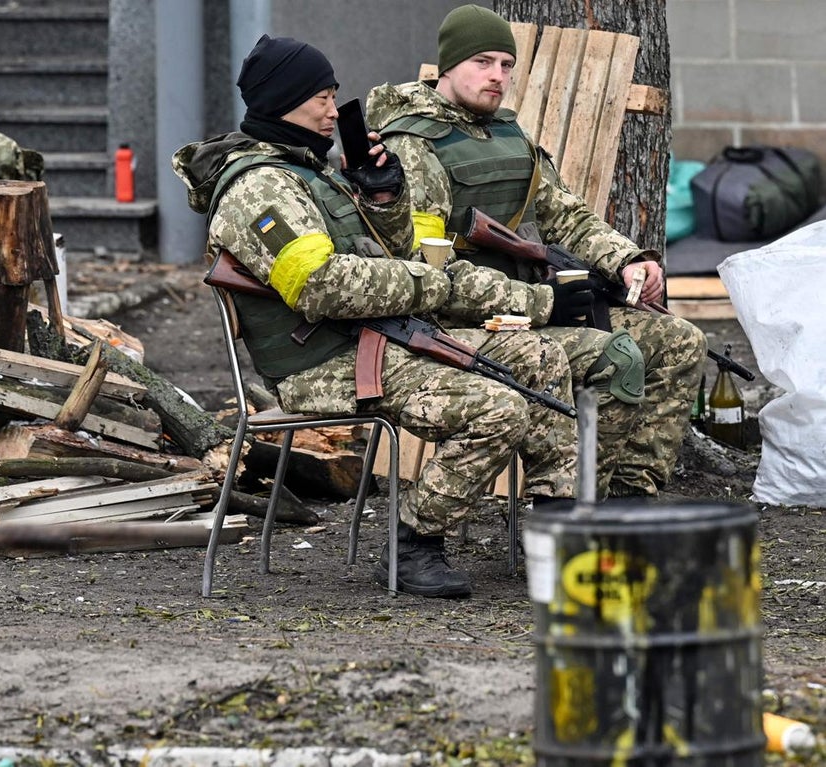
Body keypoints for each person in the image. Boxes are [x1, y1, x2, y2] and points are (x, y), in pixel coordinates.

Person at [172, 34, 587, 599]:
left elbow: (390, 256)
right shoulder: (258, 187)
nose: (330, 110)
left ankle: (556, 530)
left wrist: (383, 198)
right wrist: (431, 286)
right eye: (320, 97)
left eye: (332, 95)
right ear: (281, 102)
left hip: (374, 339)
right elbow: (322, 286)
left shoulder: (307, 170)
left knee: (539, 356)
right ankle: (413, 544)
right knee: (496, 409)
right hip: (321, 362)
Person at [367, 5, 707, 499]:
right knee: (618, 356)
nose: (497, 77)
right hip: (462, 316)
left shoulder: (507, 132)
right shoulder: (413, 144)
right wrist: (538, 300)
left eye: (506, 65)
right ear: (448, 65)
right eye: (483, 62)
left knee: (680, 341)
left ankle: (627, 498)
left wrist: (627, 260)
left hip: (533, 304)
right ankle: (575, 507)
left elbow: (565, 213)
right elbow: (428, 264)